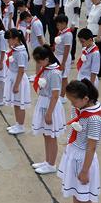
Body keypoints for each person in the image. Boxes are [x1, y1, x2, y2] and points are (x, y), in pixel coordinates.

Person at [56, 79, 101, 203]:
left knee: (84, 197)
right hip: (74, 154)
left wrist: (85, 170)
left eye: (74, 100)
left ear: (85, 98)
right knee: (76, 194)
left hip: (84, 159)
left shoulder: (94, 119)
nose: (72, 104)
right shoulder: (80, 110)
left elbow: (91, 147)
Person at [30, 45, 66, 175]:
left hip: (51, 105)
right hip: (43, 102)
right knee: (46, 134)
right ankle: (47, 161)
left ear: (47, 59)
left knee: (51, 136)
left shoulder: (54, 73)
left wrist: (49, 113)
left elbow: (56, 95)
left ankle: (51, 164)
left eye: (39, 61)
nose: (39, 64)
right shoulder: (46, 69)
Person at [3, 28, 32, 135]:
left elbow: (21, 70)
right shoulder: (16, 49)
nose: (8, 42)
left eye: (9, 40)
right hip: (13, 77)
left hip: (18, 79)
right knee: (16, 103)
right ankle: (17, 123)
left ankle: (21, 126)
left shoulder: (20, 53)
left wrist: (16, 85)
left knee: (20, 103)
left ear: (16, 39)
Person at [53, 14, 73, 103]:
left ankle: (62, 96)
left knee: (64, 77)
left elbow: (67, 49)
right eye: (56, 25)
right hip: (58, 56)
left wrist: (63, 63)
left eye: (59, 25)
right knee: (58, 76)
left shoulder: (68, 34)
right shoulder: (62, 32)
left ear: (64, 23)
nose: (57, 27)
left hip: (63, 57)